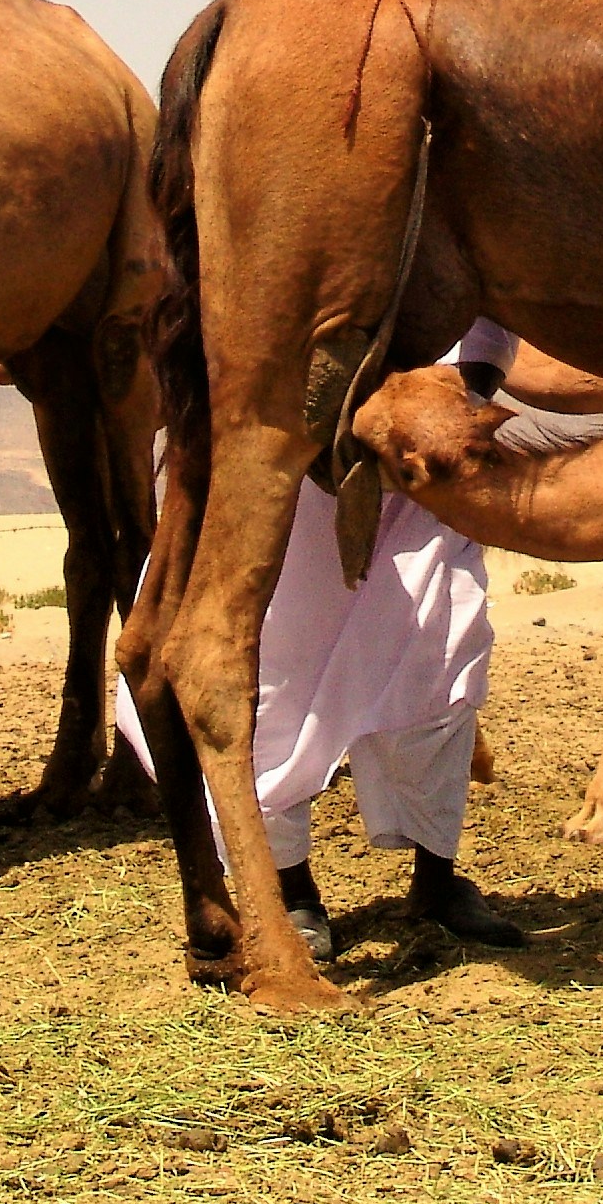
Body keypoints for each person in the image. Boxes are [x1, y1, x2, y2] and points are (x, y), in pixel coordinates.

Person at [116, 320, 535, 961]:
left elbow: (486, 322)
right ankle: (291, 889)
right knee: (277, 668)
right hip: (287, 460)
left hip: (428, 467)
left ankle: (436, 878)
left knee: (442, 651)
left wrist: (448, 404)